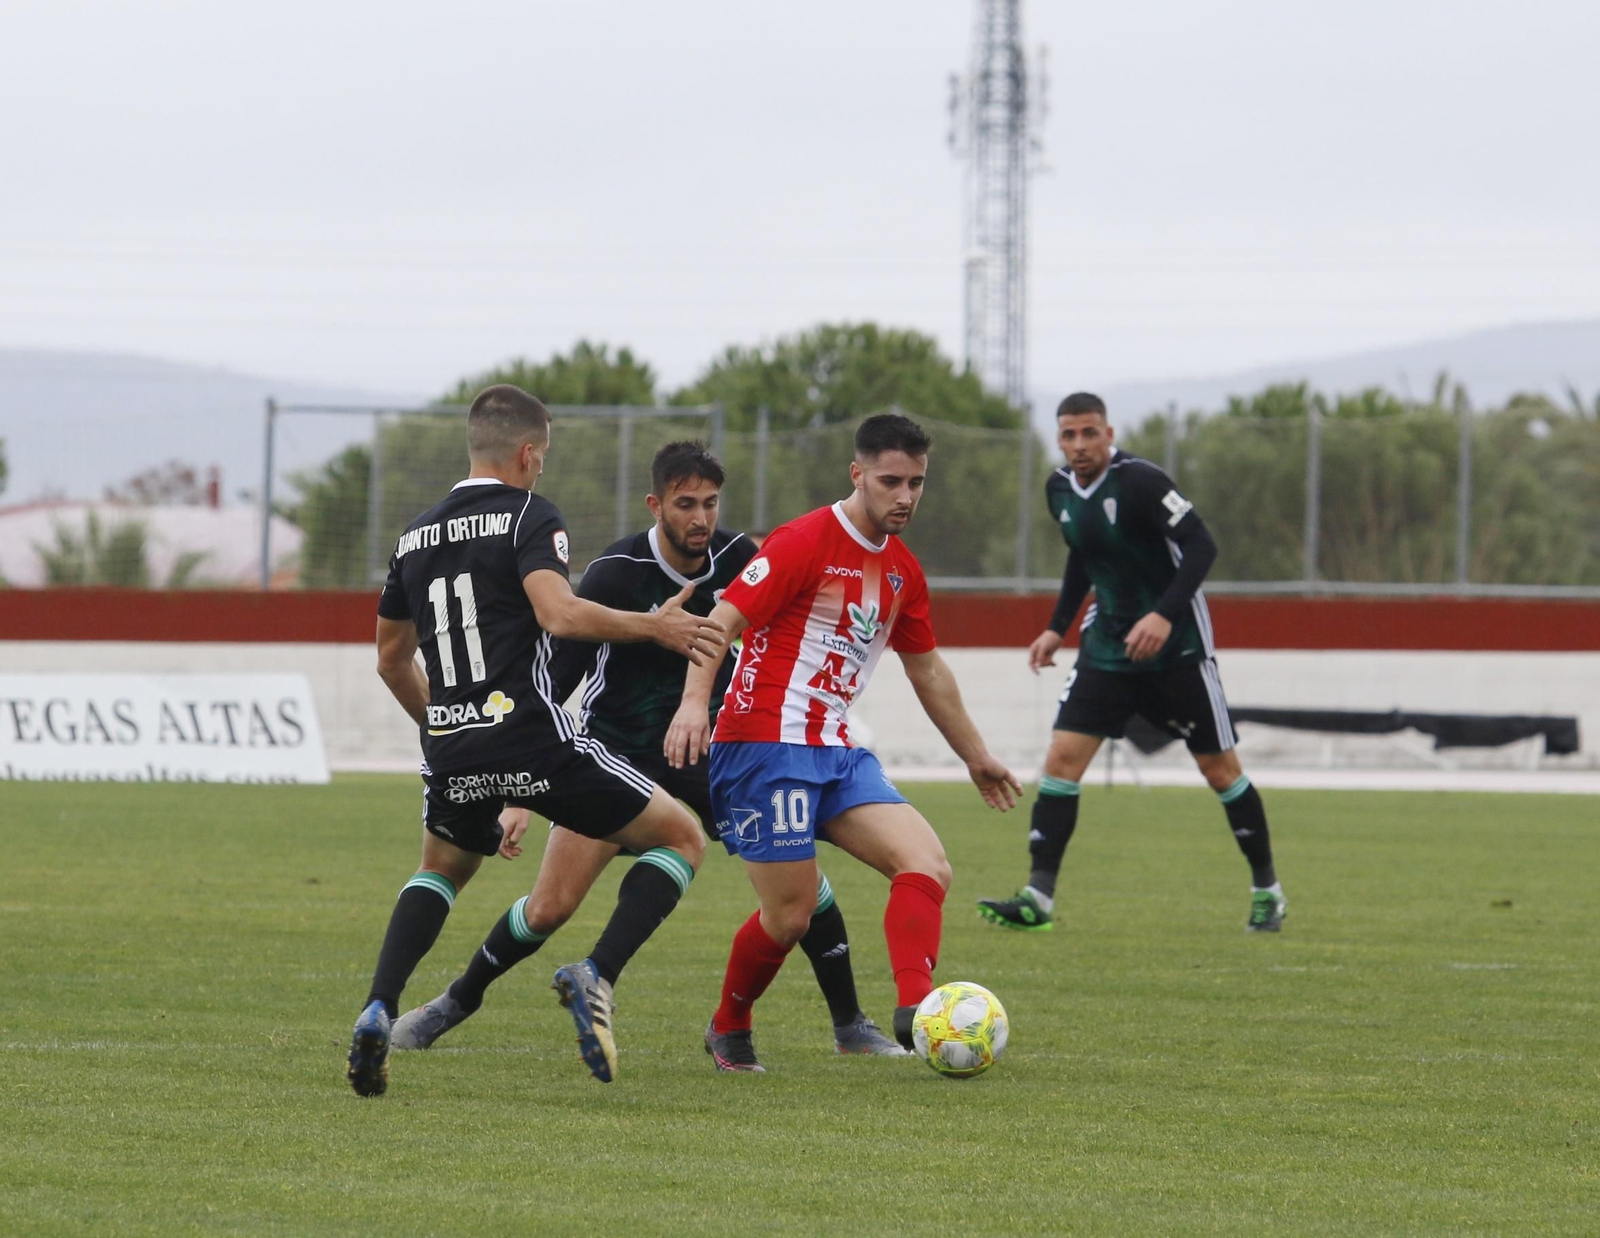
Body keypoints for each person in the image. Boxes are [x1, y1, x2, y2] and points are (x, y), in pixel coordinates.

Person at [390, 441, 906, 1057]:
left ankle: (850, 1025)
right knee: (550, 906)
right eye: (686, 504)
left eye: (711, 504)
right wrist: (517, 791)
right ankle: (456, 1001)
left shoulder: (743, 558)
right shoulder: (616, 572)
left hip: (714, 757)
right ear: (656, 504)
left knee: (802, 883)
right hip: (617, 755)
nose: (701, 519)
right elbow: (553, 679)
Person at [347, 385, 723, 1096]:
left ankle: (379, 1005)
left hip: (454, 749)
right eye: (541, 459)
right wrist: (657, 627)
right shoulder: (528, 513)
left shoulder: (415, 535)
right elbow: (559, 614)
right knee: (681, 838)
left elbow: (391, 659)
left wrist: (441, 726)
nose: (541, 471)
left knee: (442, 871)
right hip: (530, 736)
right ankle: (595, 971)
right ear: (526, 454)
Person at [665, 412, 1022, 1072]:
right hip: (764, 748)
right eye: (891, 481)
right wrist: (693, 705)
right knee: (791, 916)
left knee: (927, 865)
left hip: (834, 747)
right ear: (858, 474)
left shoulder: (903, 573)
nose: (905, 497)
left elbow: (929, 671)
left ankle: (917, 1013)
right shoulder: (803, 541)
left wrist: (977, 756)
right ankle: (729, 1025)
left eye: (916, 483)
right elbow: (720, 621)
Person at [976, 392, 1287, 935]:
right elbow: (1083, 556)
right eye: (1068, 435)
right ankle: (1038, 898)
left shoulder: (1142, 482)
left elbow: (1202, 545)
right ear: (1058, 438)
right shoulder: (1058, 490)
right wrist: (1057, 626)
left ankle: (1268, 892)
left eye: (1089, 433)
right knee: (1062, 760)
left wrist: (1164, 616)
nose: (1079, 445)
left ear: (1109, 433)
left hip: (1179, 648)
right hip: (1108, 648)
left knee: (1220, 772)